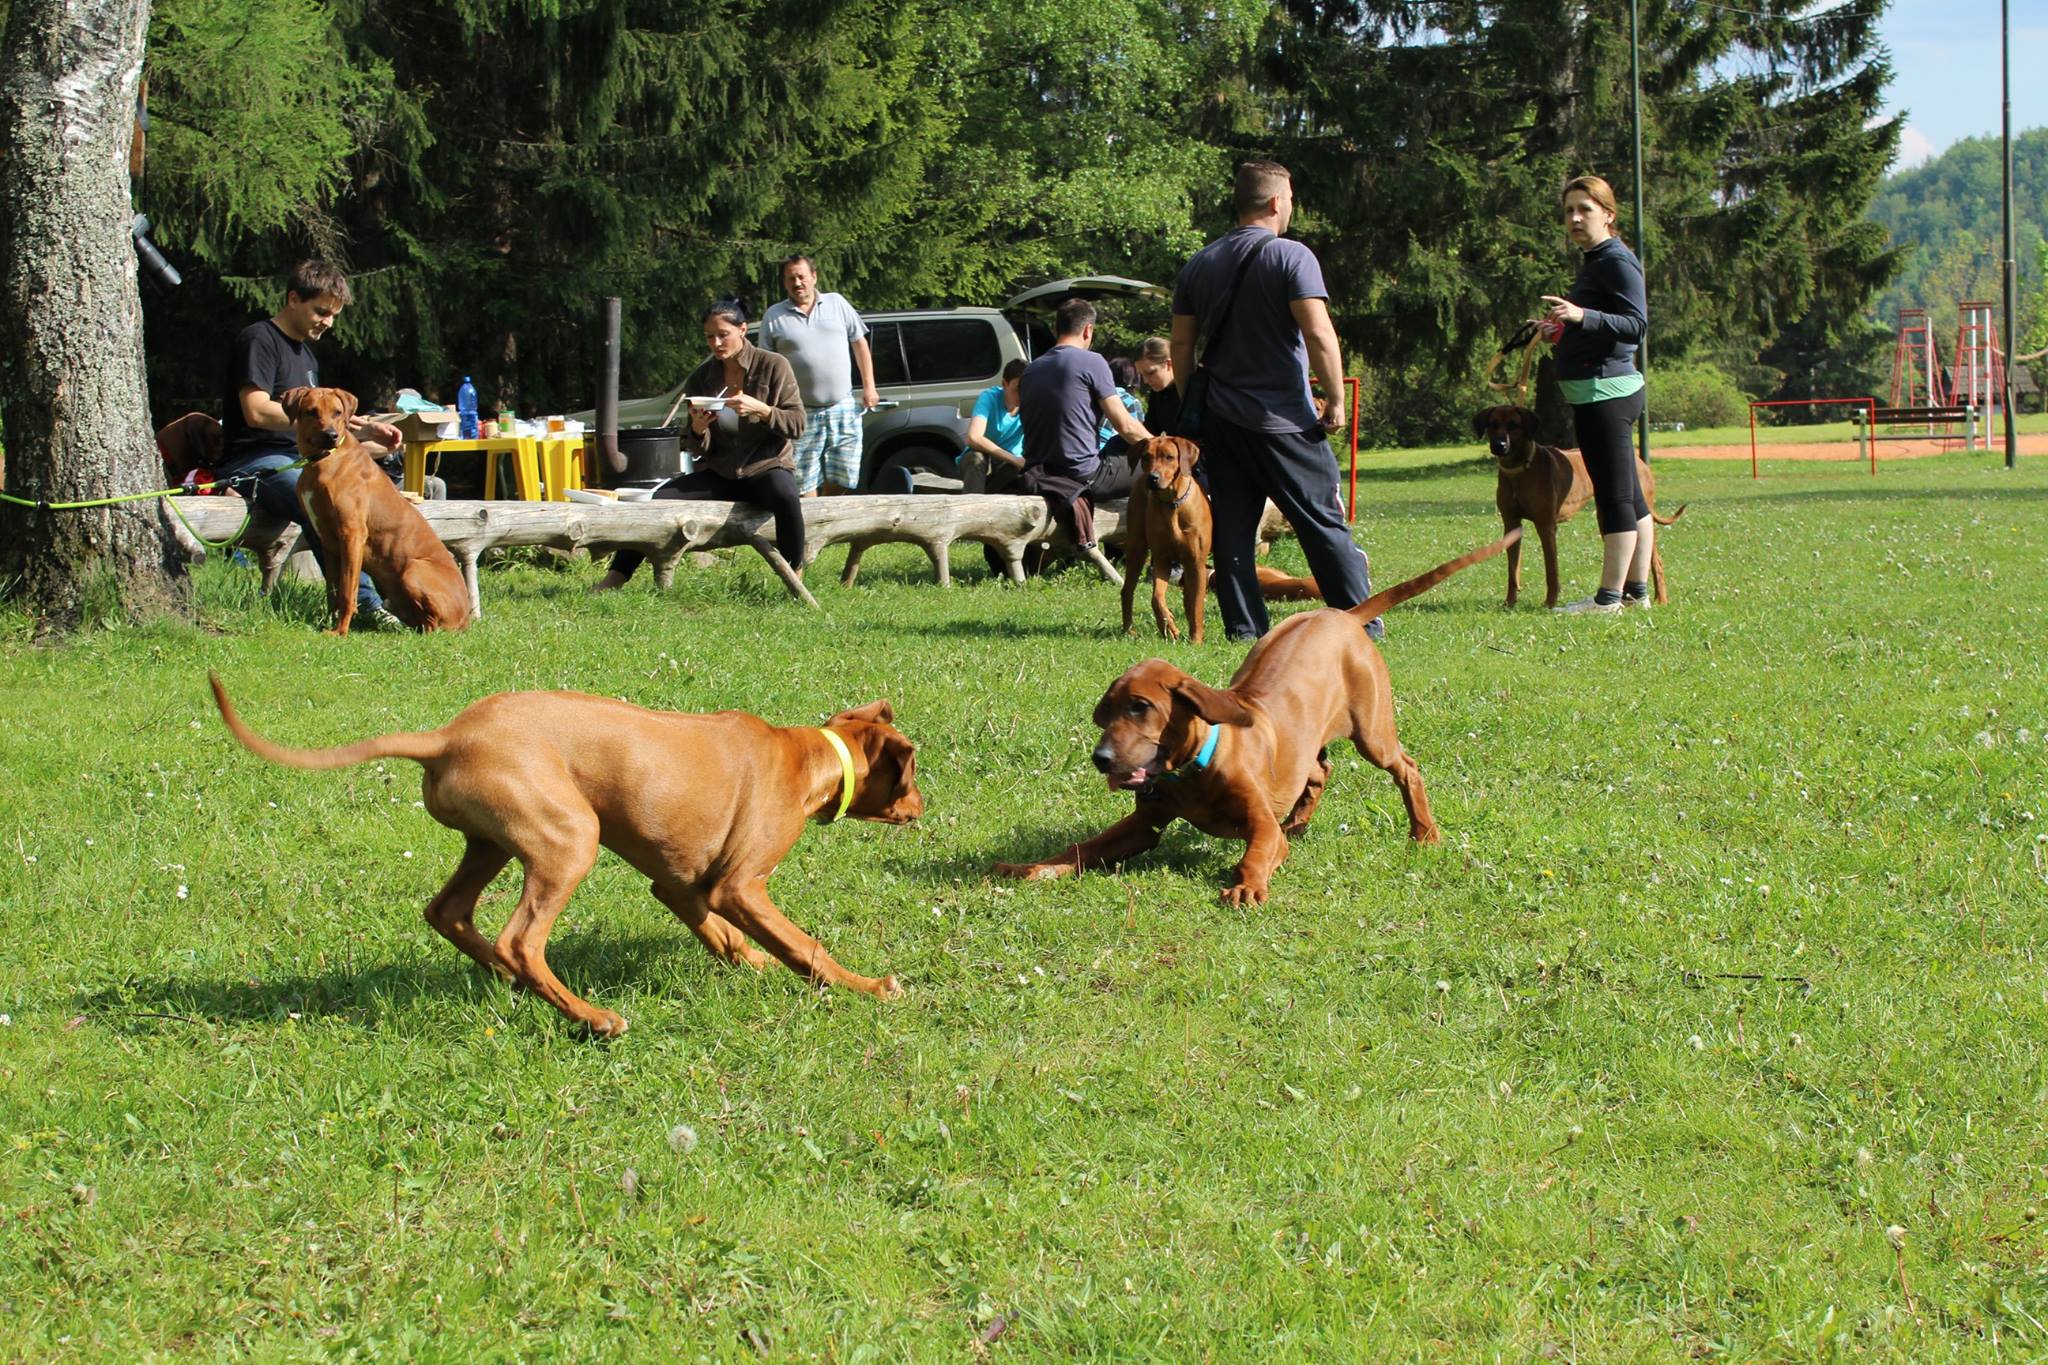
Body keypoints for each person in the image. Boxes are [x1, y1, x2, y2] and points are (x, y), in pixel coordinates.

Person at [1170, 160, 1376, 642]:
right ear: (1277, 202)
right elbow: (1319, 333)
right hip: (1284, 420)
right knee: (1321, 520)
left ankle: (1244, 630)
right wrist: (1334, 400)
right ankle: (1360, 623)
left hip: (1221, 421)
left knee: (1234, 529)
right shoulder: (1291, 255)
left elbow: (1182, 345)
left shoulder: (1199, 263)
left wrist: (1193, 404)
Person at [217, 260, 407, 629]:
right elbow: (255, 411)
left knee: (374, 496)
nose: (328, 322)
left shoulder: (306, 355)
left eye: (334, 315)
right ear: (293, 299)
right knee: (330, 507)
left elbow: (319, 423)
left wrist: (364, 432)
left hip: (303, 458)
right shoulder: (259, 340)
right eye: (321, 311)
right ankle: (363, 607)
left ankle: (400, 596)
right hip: (256, 460)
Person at [591, 300, 807, 590]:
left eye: (723, 334)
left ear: (742, 330)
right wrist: (698, 429)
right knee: (655, 501)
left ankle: (796, 578)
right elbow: (697, 447)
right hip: (721, 473)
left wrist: (763, 410)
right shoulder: (703, 378)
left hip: (765, 467)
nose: (716, 343)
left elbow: (797, 425)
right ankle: (615, 577)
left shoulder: (773, 366)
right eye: (709, 336)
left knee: (786, 496)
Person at [1542, 173, 1650, 614]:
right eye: (1569, 210)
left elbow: (1636, 325)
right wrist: (1561, 328)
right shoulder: (1598, 260)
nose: (1575, 218)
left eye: (1584, 209)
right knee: (1631, 496)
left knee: (1614, 496)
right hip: (1597, 391)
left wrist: (1581, 315)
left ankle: (1608, 599)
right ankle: (1636, 592)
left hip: (1607, 392)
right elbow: (1605, 322)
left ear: (1608, 214)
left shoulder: (1616, 262)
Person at [1013, 297, 1151, 558]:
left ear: (1056, 328)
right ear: (1088, 330)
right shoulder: (1092, 362)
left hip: (1039, 472)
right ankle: (1167, 554)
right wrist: (1165, 448)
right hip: (1081, 474)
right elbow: (1125, 425)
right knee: (1158, 469)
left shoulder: (1032, 369)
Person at [759, 255, 878, 496]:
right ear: (785, 283)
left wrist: (869, 387)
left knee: (845, 473)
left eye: (802, 276)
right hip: (799, 410)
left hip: (842, 404)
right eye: (791, 278)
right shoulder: (774, 316)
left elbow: (860, 344)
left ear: (814, 277)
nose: (798, 282)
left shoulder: (837, 303)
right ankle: (812, 529)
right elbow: (765, 365)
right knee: (803, 478)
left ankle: (828, 518)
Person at [959, 358, 1029, 493]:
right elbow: (973, 437)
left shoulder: (1031, 402)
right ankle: (974, 508)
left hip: (1008, 468)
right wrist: (1014, 459)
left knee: (1015, 470)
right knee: (976, 458)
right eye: (1017, 389)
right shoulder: (989, 397)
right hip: (980, 464)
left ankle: (985, 499)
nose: (1022, 395)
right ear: (1004, 383)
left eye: (1026, 389)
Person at [1133, 336, 1182, 437]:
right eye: (1141, 375)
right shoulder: (1158, 392)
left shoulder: (1194, 389)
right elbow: (1151, 430)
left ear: (1169, 364)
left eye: (1151, 373)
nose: (1146, 381)